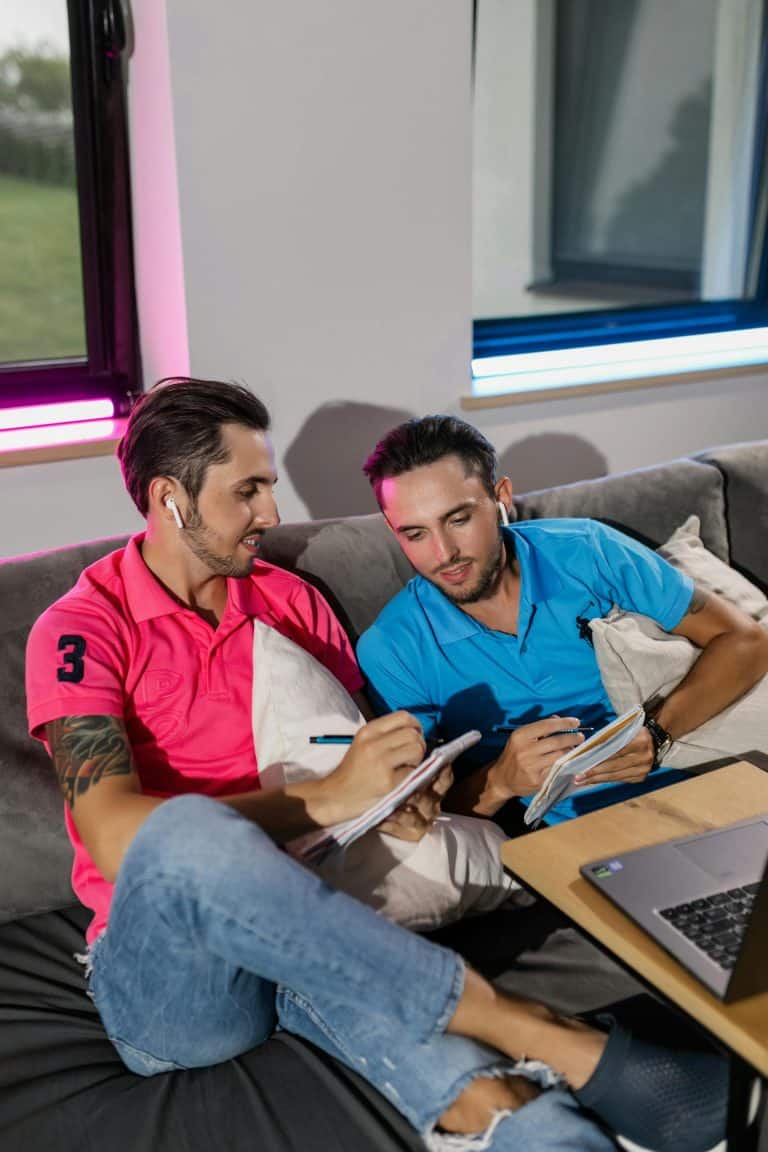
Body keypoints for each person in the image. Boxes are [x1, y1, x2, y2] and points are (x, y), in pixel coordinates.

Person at [25, 379, 730, 1152]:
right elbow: (115, 838)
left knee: (489, 1099)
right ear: (171, 499)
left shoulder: (290, 602)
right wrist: (330, 798)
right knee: (182, 830)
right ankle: (523, 1021)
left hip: (312, 920)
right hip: (179, 986)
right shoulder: (79, 631)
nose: (272, 514)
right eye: (249, 491)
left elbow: (364, 757)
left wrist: (403, 795)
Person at [358, 415, 768, 825]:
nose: (443, 553)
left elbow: (746, 640)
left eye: (458, 519)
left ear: (501, 498)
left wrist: (658, 734)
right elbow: (416, 818)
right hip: (581, 835)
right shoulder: (391, 649)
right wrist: (499, 781)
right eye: (415, 534)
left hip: (714, 778)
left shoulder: (589, 551)